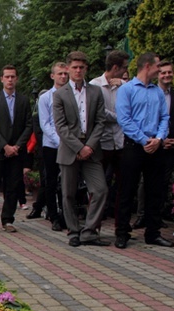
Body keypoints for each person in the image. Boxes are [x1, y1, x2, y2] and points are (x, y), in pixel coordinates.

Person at [114, 52, 172, 249]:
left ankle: (153, 232)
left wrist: (159, 138)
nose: (160, 70)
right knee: (127, 190)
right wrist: (144, 139)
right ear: (147, 66)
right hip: (134, 146)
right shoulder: (127, 90)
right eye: (158, 66)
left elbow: (165, 117)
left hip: (155, 146)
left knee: (155, 190)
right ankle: (122, 232)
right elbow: (124, 119)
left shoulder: (157, 92)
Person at [53, 51, 109, 247]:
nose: (78, 71)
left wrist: (89, 146)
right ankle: (74, 231)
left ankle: (89, 231)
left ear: (86, 69)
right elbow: (60, 126)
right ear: (68, 69)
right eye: (74, 67)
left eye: (81, 67)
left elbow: (101, 122)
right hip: (70, 150)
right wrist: (79, 147)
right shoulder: (60, 95)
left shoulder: (95, 92)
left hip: (91, 149)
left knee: (100, 189)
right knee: (68, 193)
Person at [0, 65, 33, 235]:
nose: (10, 80)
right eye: (7, 77)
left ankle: (8, 219)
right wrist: (5, 146)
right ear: (1, 79)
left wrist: (16, 146)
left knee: (12, 186)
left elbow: (29, 125)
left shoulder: (23, 101)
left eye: (13, 77)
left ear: (16, 79)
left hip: (16, 151)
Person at [134, 60, 174, 229]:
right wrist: (156, 140)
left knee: (163, 182)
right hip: (150, 143)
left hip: (170, 145)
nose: (166, 75)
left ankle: (157, 215)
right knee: (144, 183)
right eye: (163, 72)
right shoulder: (150, 92)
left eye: (169, 72)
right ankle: (142, 214)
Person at [90, 50, 129, 217]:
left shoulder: (123, 86)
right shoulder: (95, 85)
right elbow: (99, 113)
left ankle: (120, 223)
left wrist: (124, 85)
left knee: (123, 184)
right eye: (124, 68)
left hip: (121, 141)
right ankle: (95, 222)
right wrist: (121, 118)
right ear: (115, 67)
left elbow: (133, 105)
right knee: (98, 185)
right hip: (102, 142)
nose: (125, 71)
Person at [36, 62, 69, 230]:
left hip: (70, 145)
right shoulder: (45, 98)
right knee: (50, 181)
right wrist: (60, 141)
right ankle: (53, 215)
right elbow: (45, 124)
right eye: (60, 74)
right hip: (52, 145)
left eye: (65, 73)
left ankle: (67, 214)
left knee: (68, 182)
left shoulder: (72, 95)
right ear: (53, 76)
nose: (63, 76)